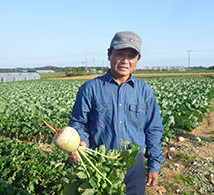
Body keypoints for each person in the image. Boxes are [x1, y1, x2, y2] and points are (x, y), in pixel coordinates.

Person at [69, 31, 163, 195]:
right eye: (120, 54)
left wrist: (154, 165)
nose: (125, 61)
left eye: (131, 56)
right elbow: (78, 123)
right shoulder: (90, 88)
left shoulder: (144, 91)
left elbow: (153, 129)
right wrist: (80, 143)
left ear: (137, 60)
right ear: (109, 54)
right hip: (99, 163)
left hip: (135, 165)